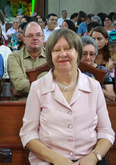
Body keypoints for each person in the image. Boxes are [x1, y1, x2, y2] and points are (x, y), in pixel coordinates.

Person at [20, 28, 115, 165]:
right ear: (50, 56)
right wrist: (56, 159)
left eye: (68, 48)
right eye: (56, 50)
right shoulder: (38, 87)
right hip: (49, 161)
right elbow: (28, 134)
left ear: (78, 53)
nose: (62, 54)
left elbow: (106, 132)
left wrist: (93, 157)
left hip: (88, 160)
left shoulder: (94, 87)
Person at [7, 22, 46, 101]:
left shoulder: (52, 57)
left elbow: (59, 83)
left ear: (43, 38)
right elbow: (19, 85)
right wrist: (48, 87)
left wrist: (23, 91)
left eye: (38, 35)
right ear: (24, 39)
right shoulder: (14, 57)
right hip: (21, 107)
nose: (35, 38)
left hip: (47, 105)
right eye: (30, 35)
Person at [81, 36, 116, 101]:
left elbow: (112, 97)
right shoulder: (72, 70)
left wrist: (97, 88)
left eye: (92, 54)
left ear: (96, 55)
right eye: (84, 54)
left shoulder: (102, 71)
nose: (88, 57)